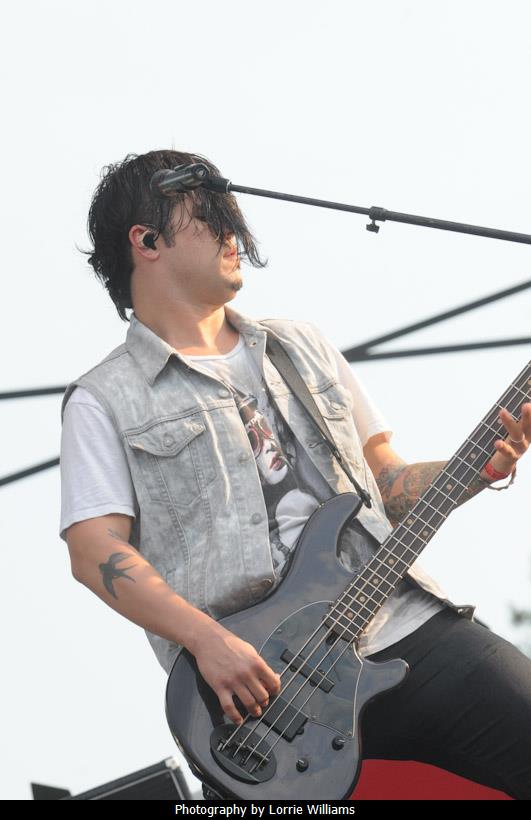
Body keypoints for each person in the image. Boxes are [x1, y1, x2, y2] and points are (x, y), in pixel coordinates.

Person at [59, 149, 531, 799]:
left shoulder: (300, 345)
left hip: (405, 625)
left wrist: (474, 470)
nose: (234, 234)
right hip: (260, 696)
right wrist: (207, 642)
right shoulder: (104, 399)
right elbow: (94, 550)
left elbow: (385, 485)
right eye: (211, 218)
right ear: (147, 242)